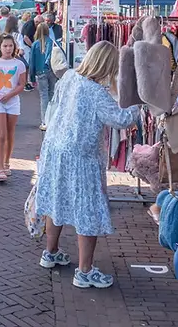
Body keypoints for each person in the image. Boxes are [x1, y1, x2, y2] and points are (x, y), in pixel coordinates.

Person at [35, 41, 140, 289]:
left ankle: (50, 252)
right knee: (88, 210)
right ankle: (85, 271)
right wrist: (139, 102)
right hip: (81, 157)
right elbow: (121, 119)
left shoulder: (70, 77)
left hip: (55, 148)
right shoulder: (96, 92)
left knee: (55, 201)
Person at [0, 33, 26, 182]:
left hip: (12, 101)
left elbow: (22, 84)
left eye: (10, 45)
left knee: (10, 133)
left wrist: (10, 95)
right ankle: (0, 169)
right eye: (5, 46)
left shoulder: (19, 64)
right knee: (1, 134)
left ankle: (7, 161)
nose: (8, 48)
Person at [29, 22, 59, 131]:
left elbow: (31, 62)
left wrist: (31, 78)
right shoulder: (53, 42)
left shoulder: (35, 44)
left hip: (40, 72)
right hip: (52, 71)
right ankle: (53, 120)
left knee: (44, 97)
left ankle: (45, 121)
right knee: (52, 95)